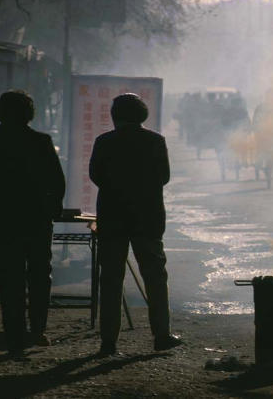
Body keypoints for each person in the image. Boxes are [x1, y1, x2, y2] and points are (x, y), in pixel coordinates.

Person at [89, 93, 182, 355]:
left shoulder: (104, 142)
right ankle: (161, 335)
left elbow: (95, 175)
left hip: (112, 218)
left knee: (110, 280)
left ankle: (108, 342)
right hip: (147, 219)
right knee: (154, 276)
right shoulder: (155, 141)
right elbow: (163, 177)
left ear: (115, 115)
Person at [0, 90, 65, 356]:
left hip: (0, 220)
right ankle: (37, 330)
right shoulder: (41, 141)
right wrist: (54, 209)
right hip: (36, 219)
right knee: (40, 274)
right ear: (30, 113)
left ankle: (13, 334)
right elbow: (57, 182)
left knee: (8, 277)